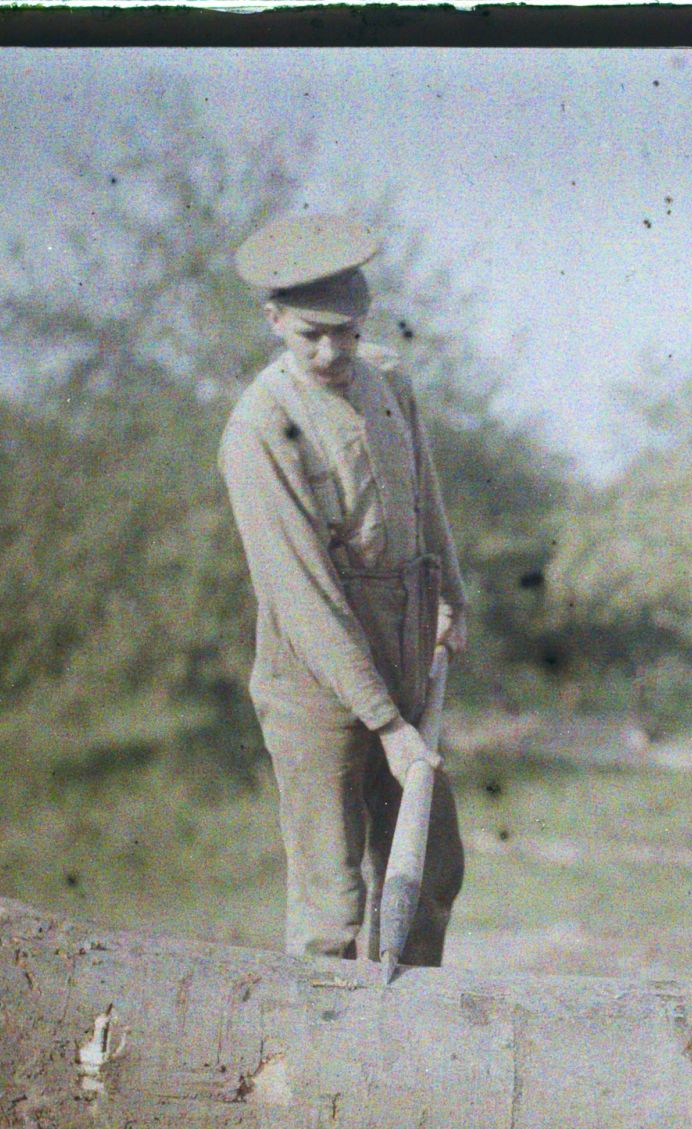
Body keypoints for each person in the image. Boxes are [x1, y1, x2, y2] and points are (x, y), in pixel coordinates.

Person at [220, 214, 467, 964]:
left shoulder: (388, 380)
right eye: (312, 336)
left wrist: (451, 597)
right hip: (313, 680)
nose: (332, 353)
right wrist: (386, 725)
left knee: (430, 869)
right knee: (332, 903)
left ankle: (405, 1025)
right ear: (274, 321)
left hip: (403, 652)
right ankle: (320, 1035)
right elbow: (303, 598)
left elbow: (423, 493)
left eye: (347, 333)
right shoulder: (260, 428)